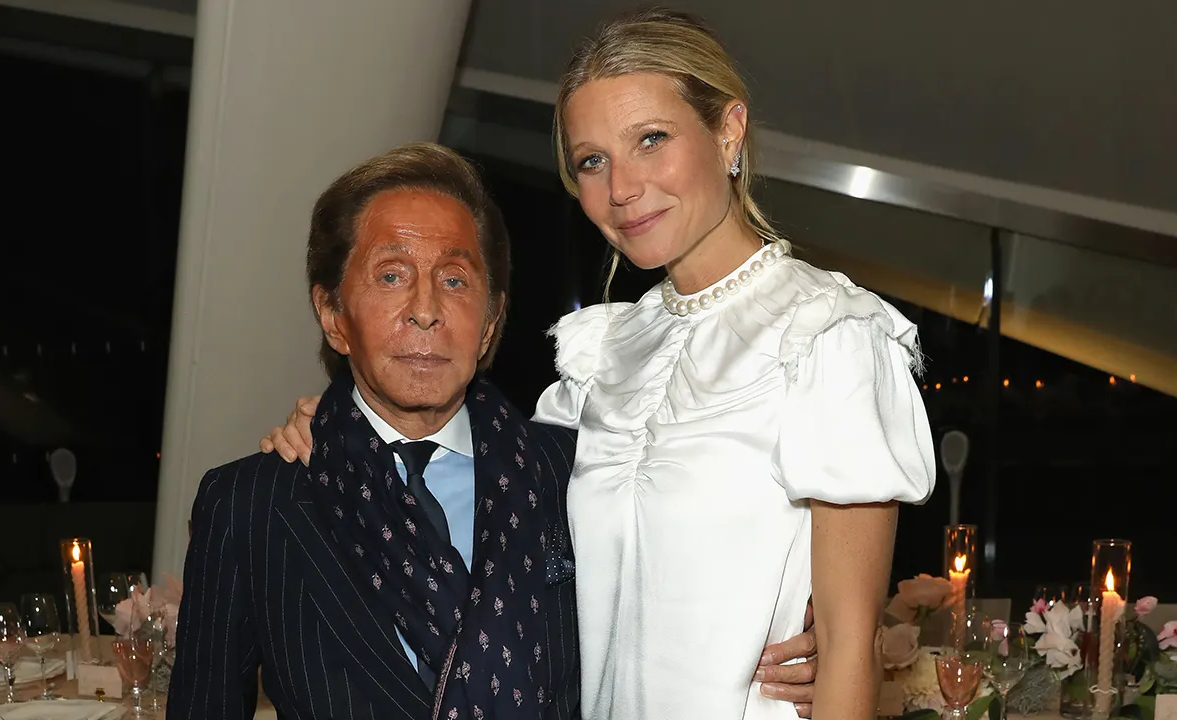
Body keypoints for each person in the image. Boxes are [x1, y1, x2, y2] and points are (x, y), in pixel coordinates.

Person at [261, 11, 929, 720]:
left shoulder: (828, 334)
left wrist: (834, 657)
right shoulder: (602, 354)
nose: (622, 187)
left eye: (650, 140)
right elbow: (483, 499)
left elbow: (851, 647)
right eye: (592, 161)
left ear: (728, 131)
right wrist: (344, 429)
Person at [169, 143, 585, 720]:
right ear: (333, 316)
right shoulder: (251, 506)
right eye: (391, 276)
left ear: (490, 322)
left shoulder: (571, 472)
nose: (425, 309)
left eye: (455, 280)